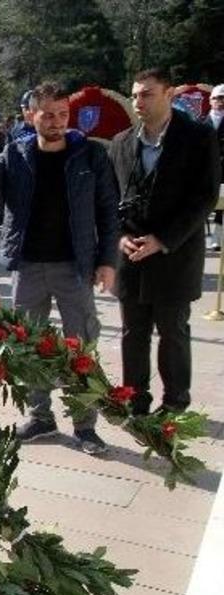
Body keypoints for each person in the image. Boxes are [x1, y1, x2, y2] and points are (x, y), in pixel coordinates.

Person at [0, 82, 119, 455]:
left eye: (63, 114)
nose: (57, 121)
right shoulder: (15, 153)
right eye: (47, 114)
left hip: (74, 267)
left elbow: (108, 211)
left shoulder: (90, 155)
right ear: (30, 116)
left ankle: (85, 426)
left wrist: (107, 261)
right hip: (28, 267)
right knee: (29, 348)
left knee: (80, 347)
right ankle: (41, 417)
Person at [109, 68, 221, 415]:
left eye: (147, 94)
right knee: (133, 334)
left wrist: (163, 239)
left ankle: (175, 402)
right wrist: (120, 237)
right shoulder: (121, 142)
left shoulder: (198, 138)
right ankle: (135, 399)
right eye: (134, 95)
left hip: (175, 255)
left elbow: (203, 199)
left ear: (169, 94)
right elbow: (108, 198)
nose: (138, 102)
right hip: (132, 258)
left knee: (173, 333)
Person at [206, 84, 224, 252]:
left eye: (223, 98)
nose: (220, 102)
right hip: (205, 173)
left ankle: (216, 239)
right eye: (217, 98)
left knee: (221, 210)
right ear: (210, 101)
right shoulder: (201, 124)